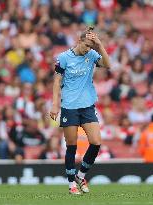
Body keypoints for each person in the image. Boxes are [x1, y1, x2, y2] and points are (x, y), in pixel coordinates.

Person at [50, 26, 110, 195]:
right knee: (71, 146)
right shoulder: (63, 58)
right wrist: (55, 105)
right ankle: (71, 185)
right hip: (69, 106)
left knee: (96, 142)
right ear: (79, 41)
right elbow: (56, 82)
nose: (88, 50)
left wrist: (99, 46)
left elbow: (108, 64)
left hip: (87, 105)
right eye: (87, 46)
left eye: (91, 47)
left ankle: (81, 175)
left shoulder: (91, 54)